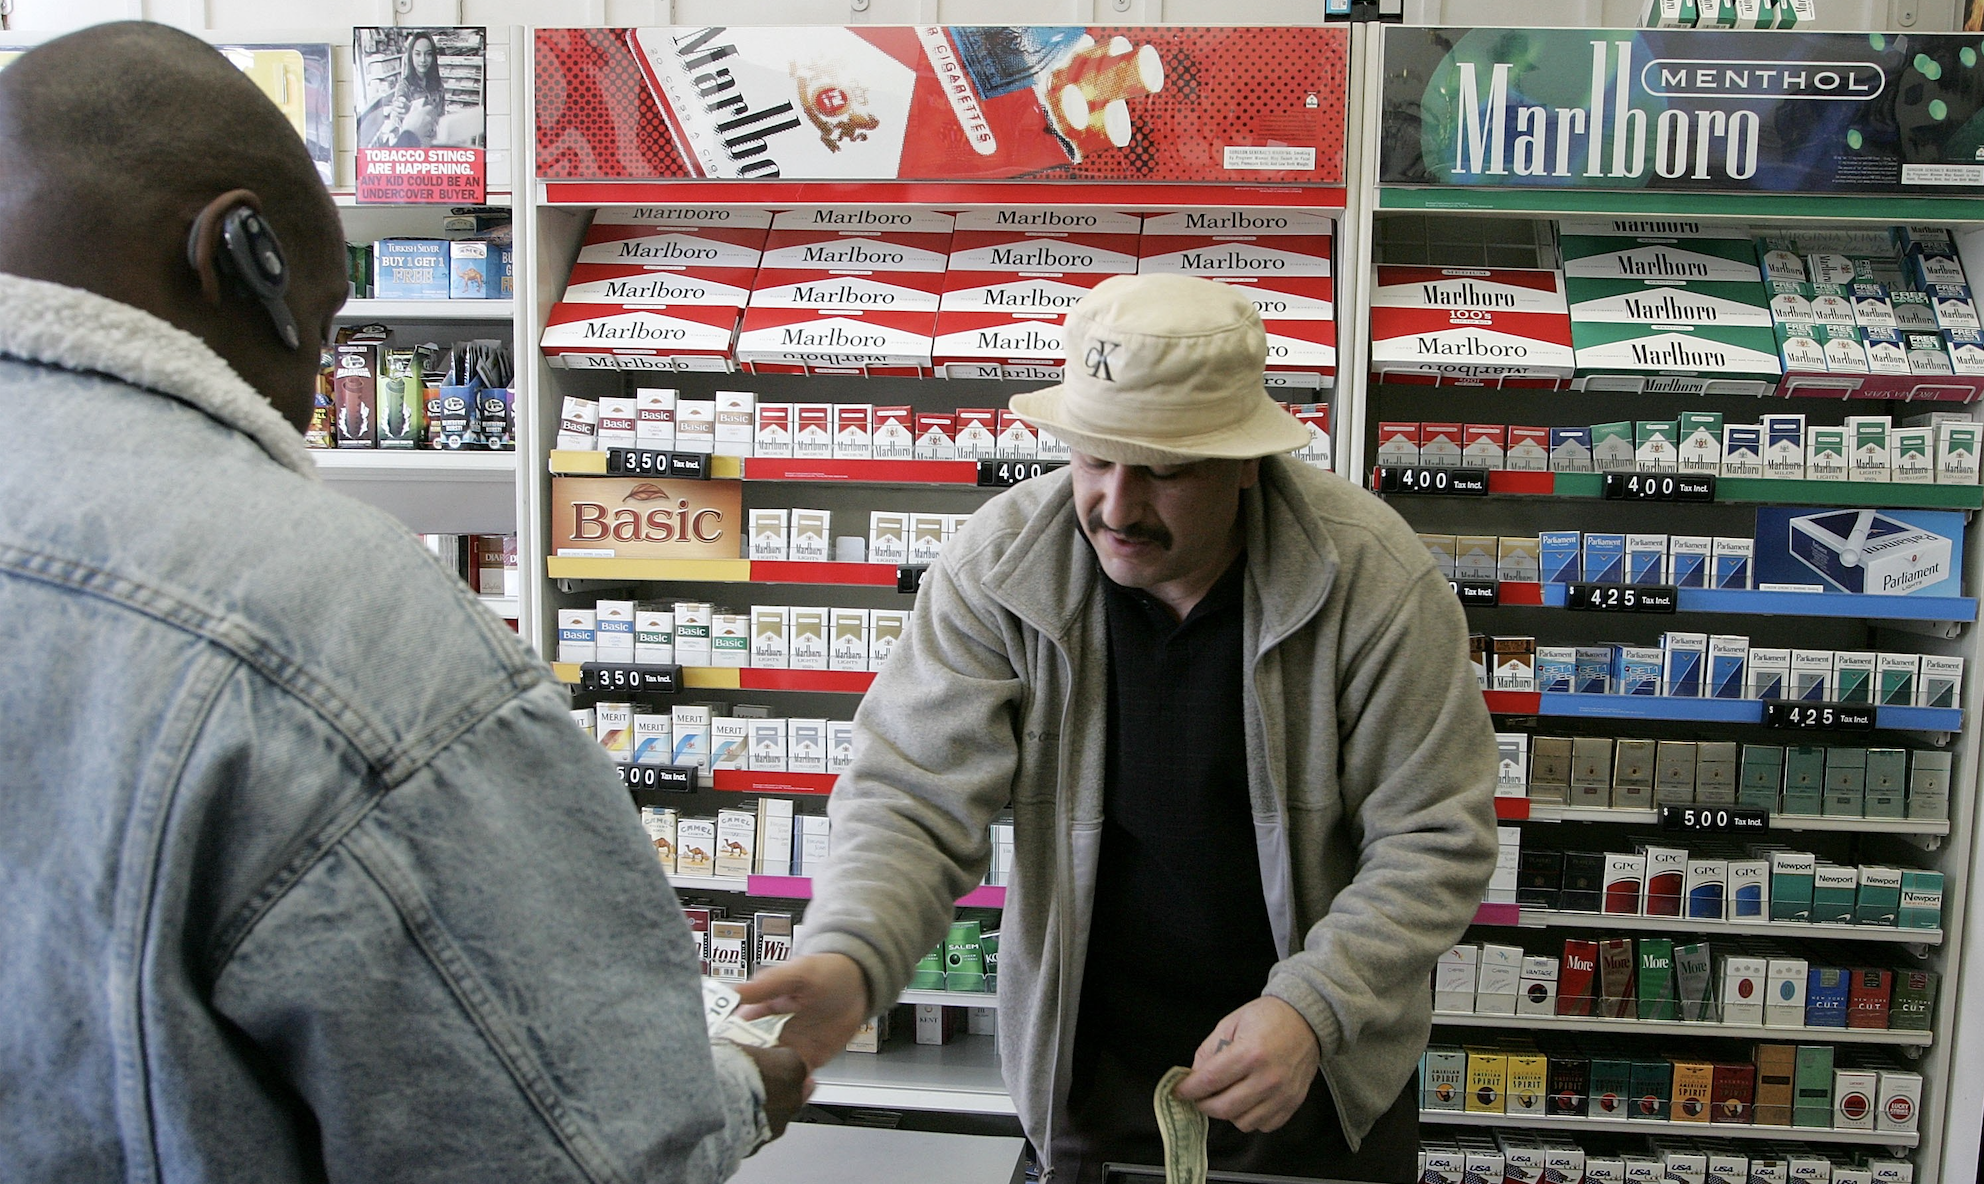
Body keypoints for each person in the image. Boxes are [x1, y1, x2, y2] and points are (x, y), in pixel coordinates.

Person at [0, 22, 804, 1181]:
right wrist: (735, 1089)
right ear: (241, 253)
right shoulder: (330, 622)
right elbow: (575, 1142)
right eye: (321, 335)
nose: (315, 399)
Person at [740, 273, 1498, 1183]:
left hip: (1316, 1080)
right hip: (1082, 1080)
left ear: (1245, 459)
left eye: (1165, 471)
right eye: (1094, 459)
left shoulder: (1371, 578)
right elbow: (912, 794)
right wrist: (851, 953)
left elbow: (1434, 837)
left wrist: (1313, 1008)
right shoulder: (1000, 566)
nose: (1115, 505)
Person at [374, 31, 445, 148]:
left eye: (428, 54)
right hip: (414, 147)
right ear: (411, 56)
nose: (423, 60)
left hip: (434, 145)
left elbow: (442, 117)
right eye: (418, 54)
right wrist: (400, 109)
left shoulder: (438, 85)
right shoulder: (404, 85)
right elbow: (397, 114)